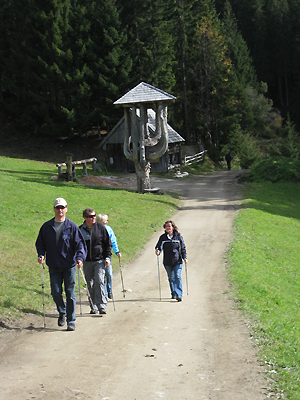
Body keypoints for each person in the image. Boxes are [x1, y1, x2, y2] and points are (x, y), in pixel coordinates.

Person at [35, 197, 87, 331]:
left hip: (69, 265)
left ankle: (71, 320)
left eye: (62, 207)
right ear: (54, 209)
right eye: (58, 207)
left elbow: (80, 245)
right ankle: (62, 312)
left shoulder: (72, 226)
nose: (60, 210)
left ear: (66, 209)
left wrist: (80, 258)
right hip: (53, 265)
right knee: (55, 292)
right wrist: (41, 254)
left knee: (70, 294)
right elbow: (40, 243)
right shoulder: (46, 227)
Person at [79, 208, 111, 314]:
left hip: (99, 260)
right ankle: (93, 306)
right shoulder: (80, 230)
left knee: (100, 281)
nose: (94, 218)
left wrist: (107, 258)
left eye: (94, 216)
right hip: (87, 261)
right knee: (90, 284)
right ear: (85, 218)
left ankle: (102, 305)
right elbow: (77, 246)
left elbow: (107, 243)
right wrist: (78, 258)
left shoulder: (100, 228)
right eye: (91, 216)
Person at [155, 220, 187, 302]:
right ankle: (173, 293)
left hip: (178, 261)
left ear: (173, 227)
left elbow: (182, 247)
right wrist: (158, 251)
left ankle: (179, 295)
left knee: (177, 276)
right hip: (167, 262)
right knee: (171, 278)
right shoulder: (163, 237)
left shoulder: (178, 236)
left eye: (169, 226)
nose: (168, 228)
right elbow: (158, 246)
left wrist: (185, 257)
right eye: (166, 226)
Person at [96, 214, 121, 299]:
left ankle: (109, 290)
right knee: (101, 276)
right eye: (104, 221)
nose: (106, 222)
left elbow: (113, 241)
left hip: (107, 255)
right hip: (98, 256)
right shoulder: (95, 230)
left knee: (109, 274)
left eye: (106, 221)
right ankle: (104, 293)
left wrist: (117, 251)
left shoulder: (109, 229)